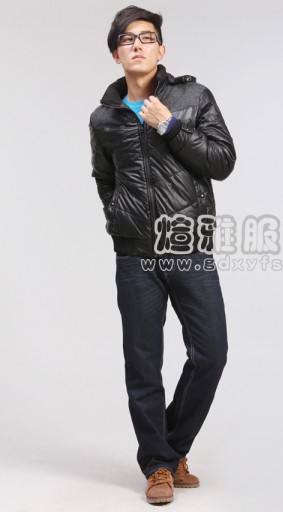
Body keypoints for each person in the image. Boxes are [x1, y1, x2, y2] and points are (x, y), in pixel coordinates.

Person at [89, 5, 236, 506]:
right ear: (116, 54)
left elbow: (222, 162)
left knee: (211, 353)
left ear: (161, 49)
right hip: (134, 256)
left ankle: (171, 450)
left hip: (187, 246)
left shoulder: (193, 98)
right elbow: (104, 177)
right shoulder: (104, 117)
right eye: (127, 39)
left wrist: (170, 125)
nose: (138, 44)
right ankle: (158, 465)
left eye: (147, 37)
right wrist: (118, 215)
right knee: (143, 363)